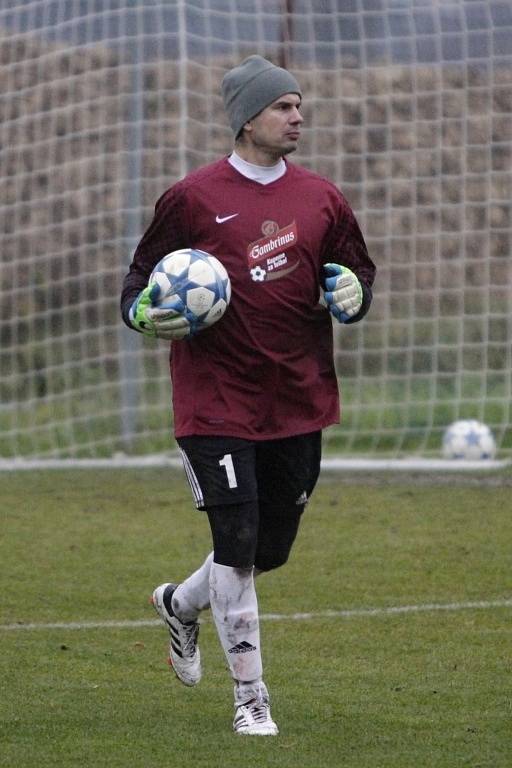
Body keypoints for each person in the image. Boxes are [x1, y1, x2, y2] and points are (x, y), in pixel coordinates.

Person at [120, 54, 376, 736]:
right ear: (246, 119)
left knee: (271, 548)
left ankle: (180, 602)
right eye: (283, 107)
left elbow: (356, 271)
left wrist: (353, 294)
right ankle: (251, 698)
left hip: (297, 396)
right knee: (234, 541)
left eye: (298, 105)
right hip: (215, 400)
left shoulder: (322, 198)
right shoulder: (193, 198)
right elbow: (138, 281)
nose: (298, 116)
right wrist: (141, 313)